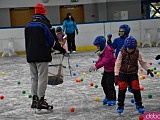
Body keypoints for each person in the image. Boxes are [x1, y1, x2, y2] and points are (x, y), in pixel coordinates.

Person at [25, 3, 65, 110]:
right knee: (42, 77)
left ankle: (34, 100)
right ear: (43, 13)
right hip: (42, 55)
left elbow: (27, 42)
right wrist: (60, 49)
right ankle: (41, 100)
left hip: (30, 55)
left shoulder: (28, 25)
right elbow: (52, 41)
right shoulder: (44, 24)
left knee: (34, 78)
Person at [115, 36, 154, 114]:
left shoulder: (137, 52)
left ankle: (139, 104)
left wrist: (148, 69)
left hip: (133, 74)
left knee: (136, 89)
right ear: (126, 47)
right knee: (122, 89)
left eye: (132, 48)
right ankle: (120, 105)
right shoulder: (121, 52)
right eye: (129, 48)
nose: (130, 50)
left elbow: (142, 62)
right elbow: (117, 64)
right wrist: (116, 75)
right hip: (123, 74)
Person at [89, 36, 116, 106]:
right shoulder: (103, 50)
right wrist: (96, 64)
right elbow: (101, 59)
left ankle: (112, 98)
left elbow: (105, 60)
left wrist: (97, 66)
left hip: (112, 70)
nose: (97, 48)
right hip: (107, 70)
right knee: (103, 83)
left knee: (110, 85)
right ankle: (107, 96)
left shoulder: (108, 50)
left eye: (97, 46)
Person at [107, 24, 133, 93]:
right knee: (121, 74)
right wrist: (109, 41)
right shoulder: (117, 40)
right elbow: (112, 48)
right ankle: (123, 85)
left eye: (122, 31)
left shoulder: (129, 40)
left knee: (129, 74)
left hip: (128, 60)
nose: (121, 32)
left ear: (126, 32)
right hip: (118, 60)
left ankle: (130, 86)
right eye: (120, 31)